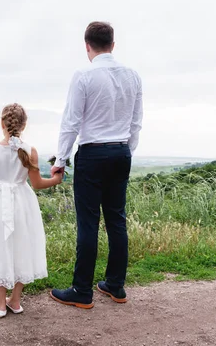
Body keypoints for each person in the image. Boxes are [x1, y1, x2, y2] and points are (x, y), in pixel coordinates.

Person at [50, 22, 143, 309]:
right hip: (121, 152)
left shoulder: (84, 75)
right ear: (113, 45)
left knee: (88, 222)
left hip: (92, 154)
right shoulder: (133, 76)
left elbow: (71, 122)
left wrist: (61, 160)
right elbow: (136, 122)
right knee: (117, 220)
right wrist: (125, 150)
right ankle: (115, 285)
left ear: (87, 45)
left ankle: (82, 290)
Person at [0, 103, 63, 318]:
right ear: (24, 125)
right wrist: (56, 179)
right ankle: (15, 301)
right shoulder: (31, 151)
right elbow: (37, 184)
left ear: (2, 123)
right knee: (21, 247)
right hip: (22, 203)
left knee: (0, 247)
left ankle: (0, 303)